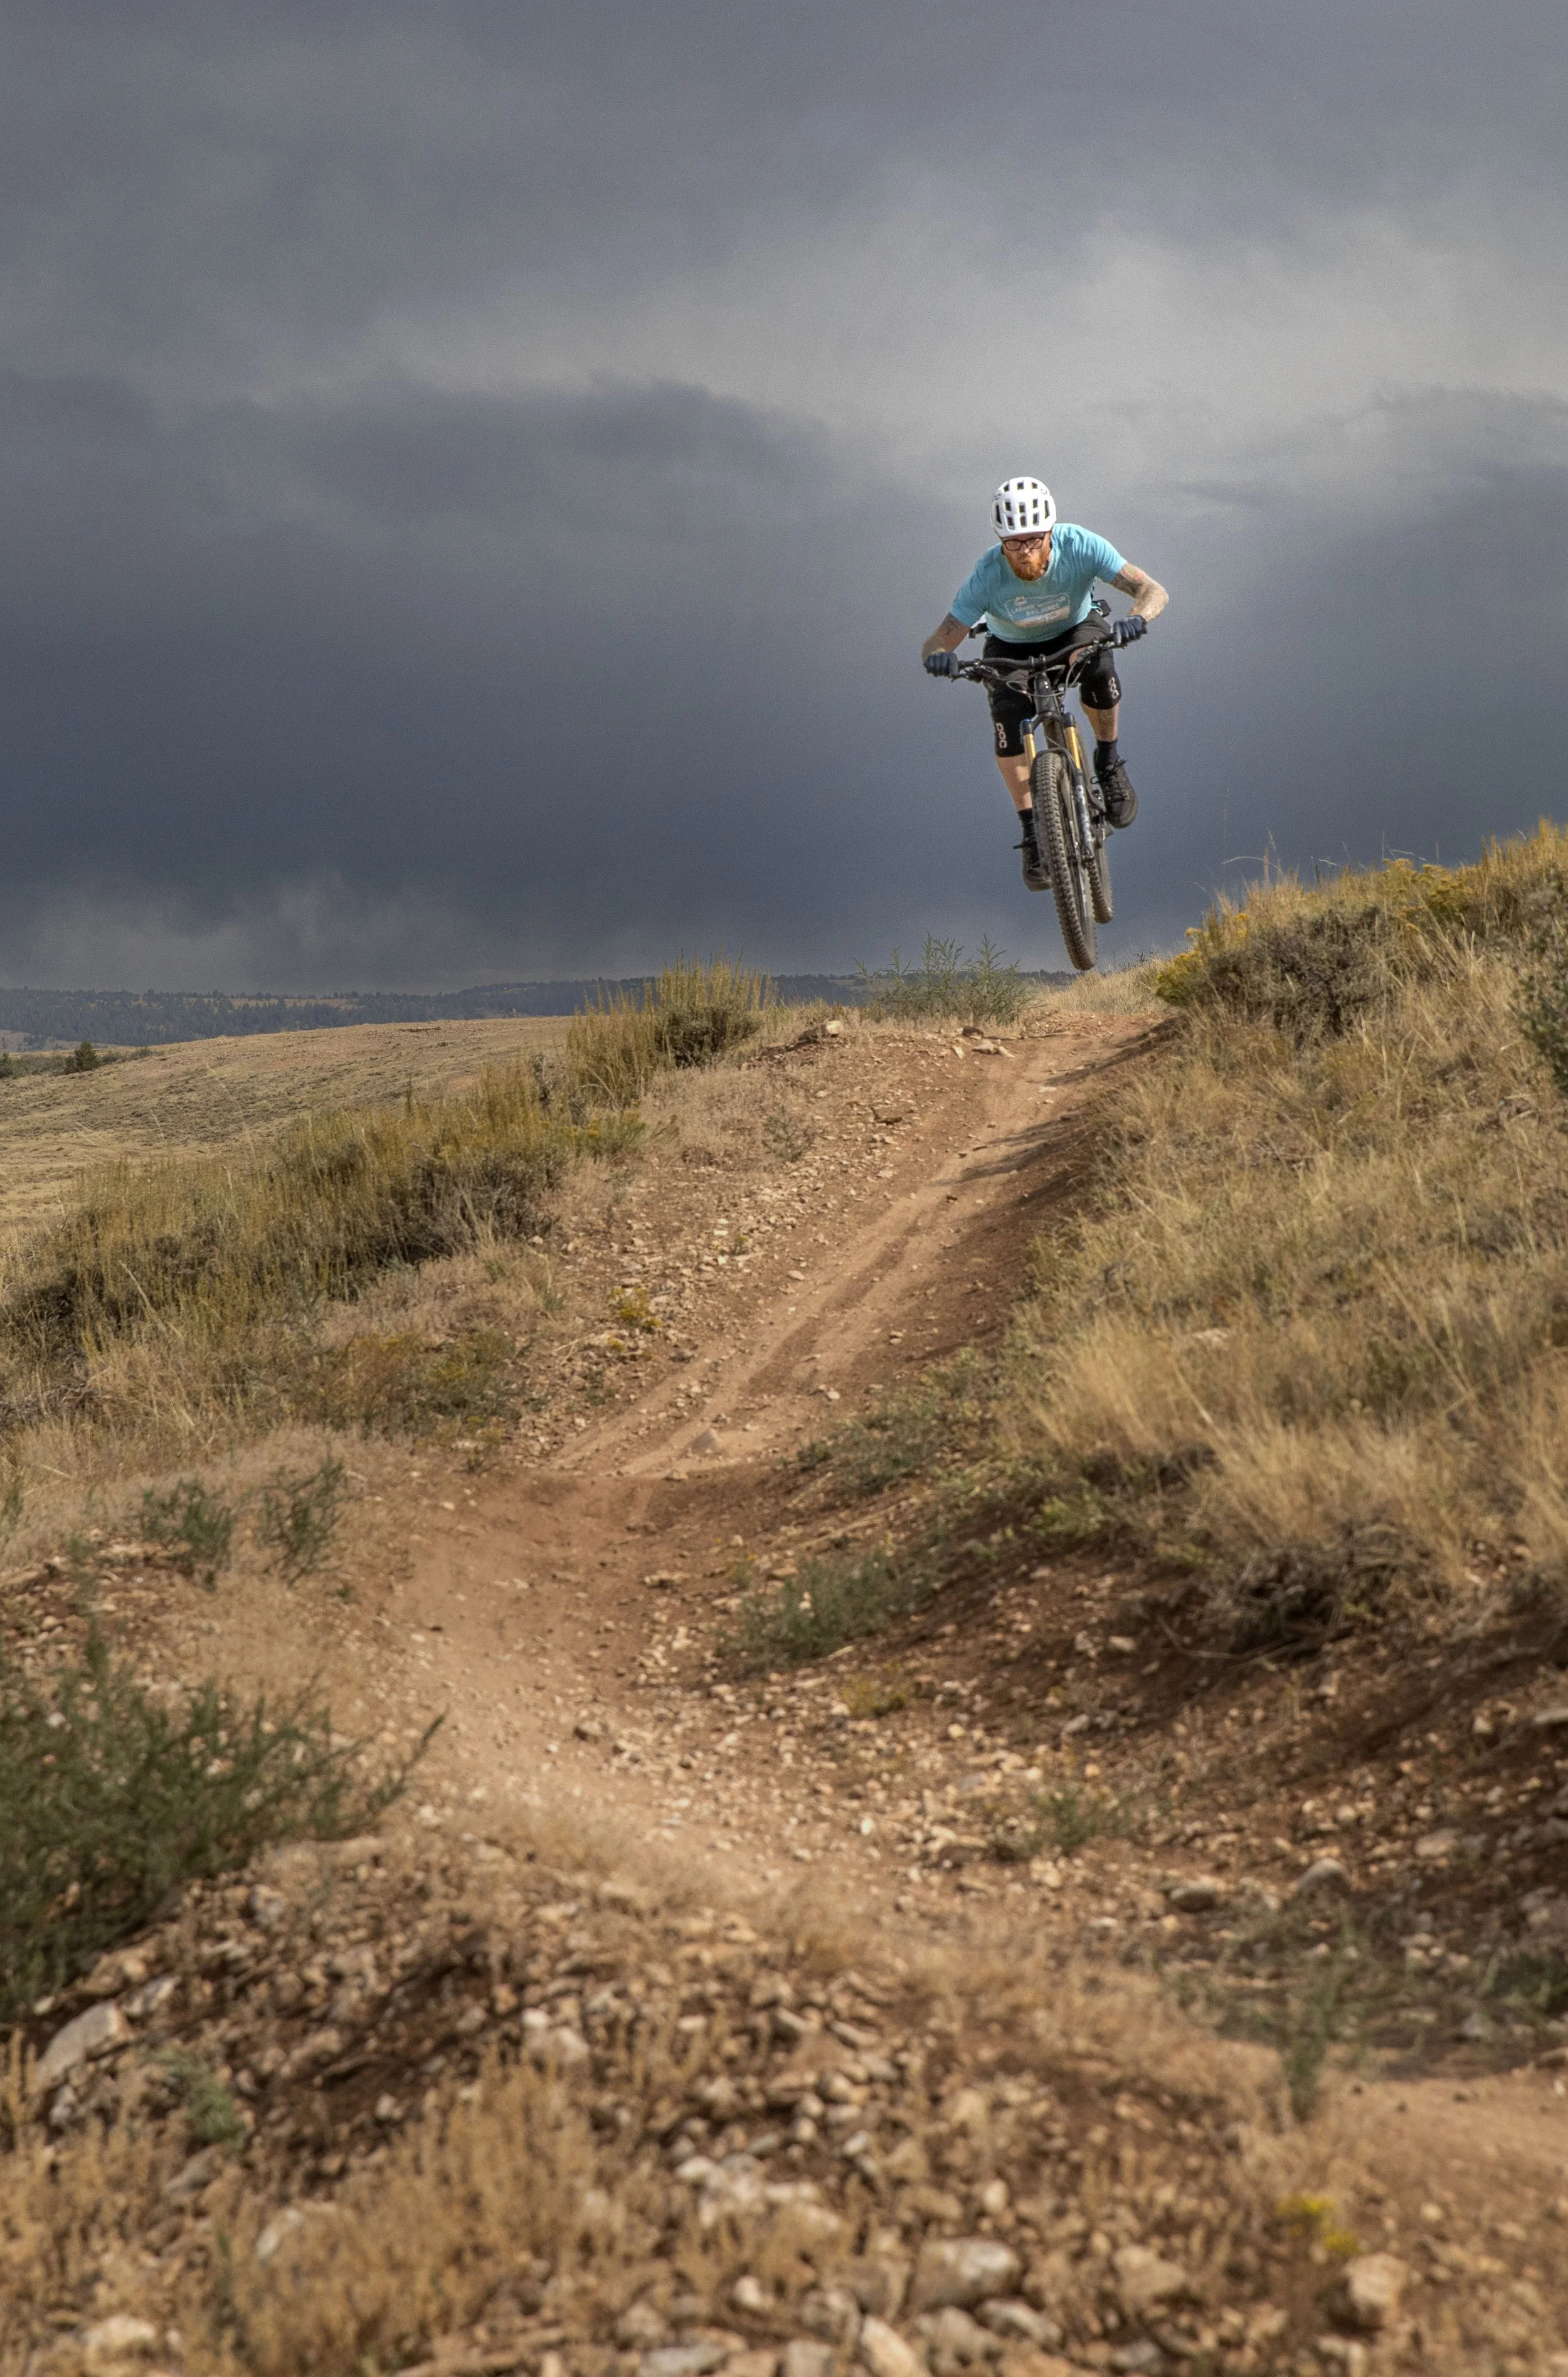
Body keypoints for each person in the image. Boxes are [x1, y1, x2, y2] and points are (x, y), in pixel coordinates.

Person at [921, 477, 1167, 889]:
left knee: (1096, 662)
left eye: (1035, 539)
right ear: (1001, 540)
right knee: (1005, 711)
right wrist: (938, 658)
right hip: (1010, 644)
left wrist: (1138, 617)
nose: (1026, 551)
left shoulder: (1082, 546)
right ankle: (1034, 830)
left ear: (1051, 531)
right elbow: (940, 638)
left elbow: (1151, 589)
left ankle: (1108, 764)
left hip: (1075, 628)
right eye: (1014, 542)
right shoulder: (986, 575)